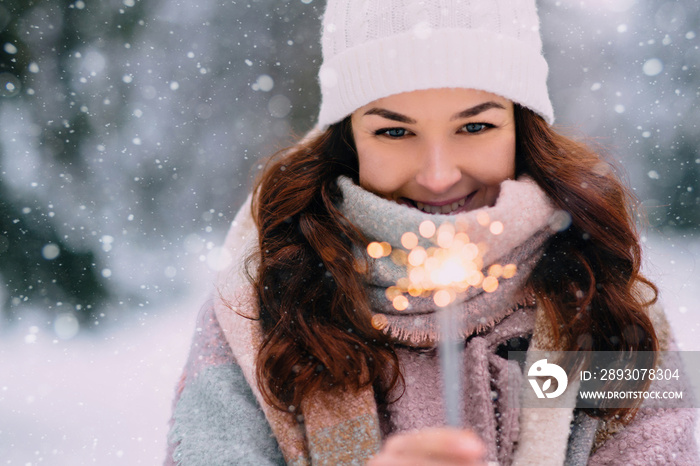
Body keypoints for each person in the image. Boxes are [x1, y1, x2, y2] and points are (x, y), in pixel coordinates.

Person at [165, 1, 698, 465]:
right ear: (350, 138)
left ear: (523, 128)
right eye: (394, 131)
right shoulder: (255, 311)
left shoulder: (601, 293)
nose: (438, 175)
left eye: (475, 126)